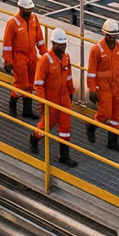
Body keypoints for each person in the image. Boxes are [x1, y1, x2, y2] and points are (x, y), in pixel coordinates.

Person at [29, 28, 78, 166]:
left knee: (65, 128)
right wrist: (42, 103)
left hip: (64, 100)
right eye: (60, 44)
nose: (63, 47)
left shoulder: (66, 57)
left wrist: (70, 91)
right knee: (46, 127)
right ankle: (34, 139)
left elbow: (68, 76)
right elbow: (39, 84)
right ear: (53, 43)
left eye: (64, 44)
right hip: (50, 101)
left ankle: (64, 156)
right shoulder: (45, 60)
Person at [86, 19, 119, 153]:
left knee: (116, 115)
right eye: (110, 37)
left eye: (115, 37)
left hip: (116, 85)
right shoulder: (97, 49)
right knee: (105, 114)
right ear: (105, 35)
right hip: (103, 86)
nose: (113, 39)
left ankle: (112, 141)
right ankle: (91, 126)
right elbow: (91, 71)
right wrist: (92, 89)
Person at [2, 0, 44, 120]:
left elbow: (39, 39)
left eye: (30, 9)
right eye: (27, 9)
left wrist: (45, 55)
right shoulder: (12, 23)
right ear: (20, 8)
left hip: (32, 56)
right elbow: (7, 44)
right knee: (22, 84)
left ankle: (27, 110)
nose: (29, 11)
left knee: (31, 84)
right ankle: (12, 102)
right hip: (19, 57)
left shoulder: (34, 19)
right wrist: (7, 61)